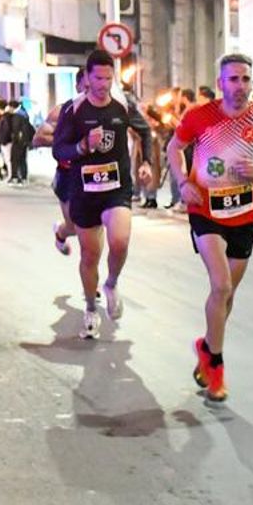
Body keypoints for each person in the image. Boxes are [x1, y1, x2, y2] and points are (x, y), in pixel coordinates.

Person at [168, 53, 253, 402]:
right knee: (221, 285)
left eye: (245, 79)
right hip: (205, 211)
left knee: (228, 296)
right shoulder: (199, 116)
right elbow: (174, 148)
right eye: (233, 79)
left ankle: (206, 347)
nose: (240, 86)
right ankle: (217, 371)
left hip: (244, 215)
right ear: (221, 83)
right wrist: (183, 182)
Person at [51, 49, 154, 339]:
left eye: (109, 78)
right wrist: (82, 146)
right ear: (87, 77)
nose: (103, 85)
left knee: (119, 242)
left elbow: (146, 132)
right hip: (84, 191)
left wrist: (146, 162)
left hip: (116, 189)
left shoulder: (122, 104)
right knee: (90, 255)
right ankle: (90, 309)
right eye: (98, 78)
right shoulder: (73, 109)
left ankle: (111, 283)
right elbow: (59, 149)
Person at [37, 68, 88, 254]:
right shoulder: (63, 111)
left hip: (93, 175)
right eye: (86, 86)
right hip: (67, 174)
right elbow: (38, 138)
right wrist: (69, 143)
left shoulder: (106, 110)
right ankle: (61, 232)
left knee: (96, 224)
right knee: (73, 226)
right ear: (77, 86)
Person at [9, 101, 34, 184]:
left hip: (18, 141)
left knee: (16, 159)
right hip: (24, 140)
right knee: (23, 159)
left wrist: (16, 138)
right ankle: (24, 177)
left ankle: (16, 177)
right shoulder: (24, 113)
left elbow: (16, 129)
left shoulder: (17, 115)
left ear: (12, 107)